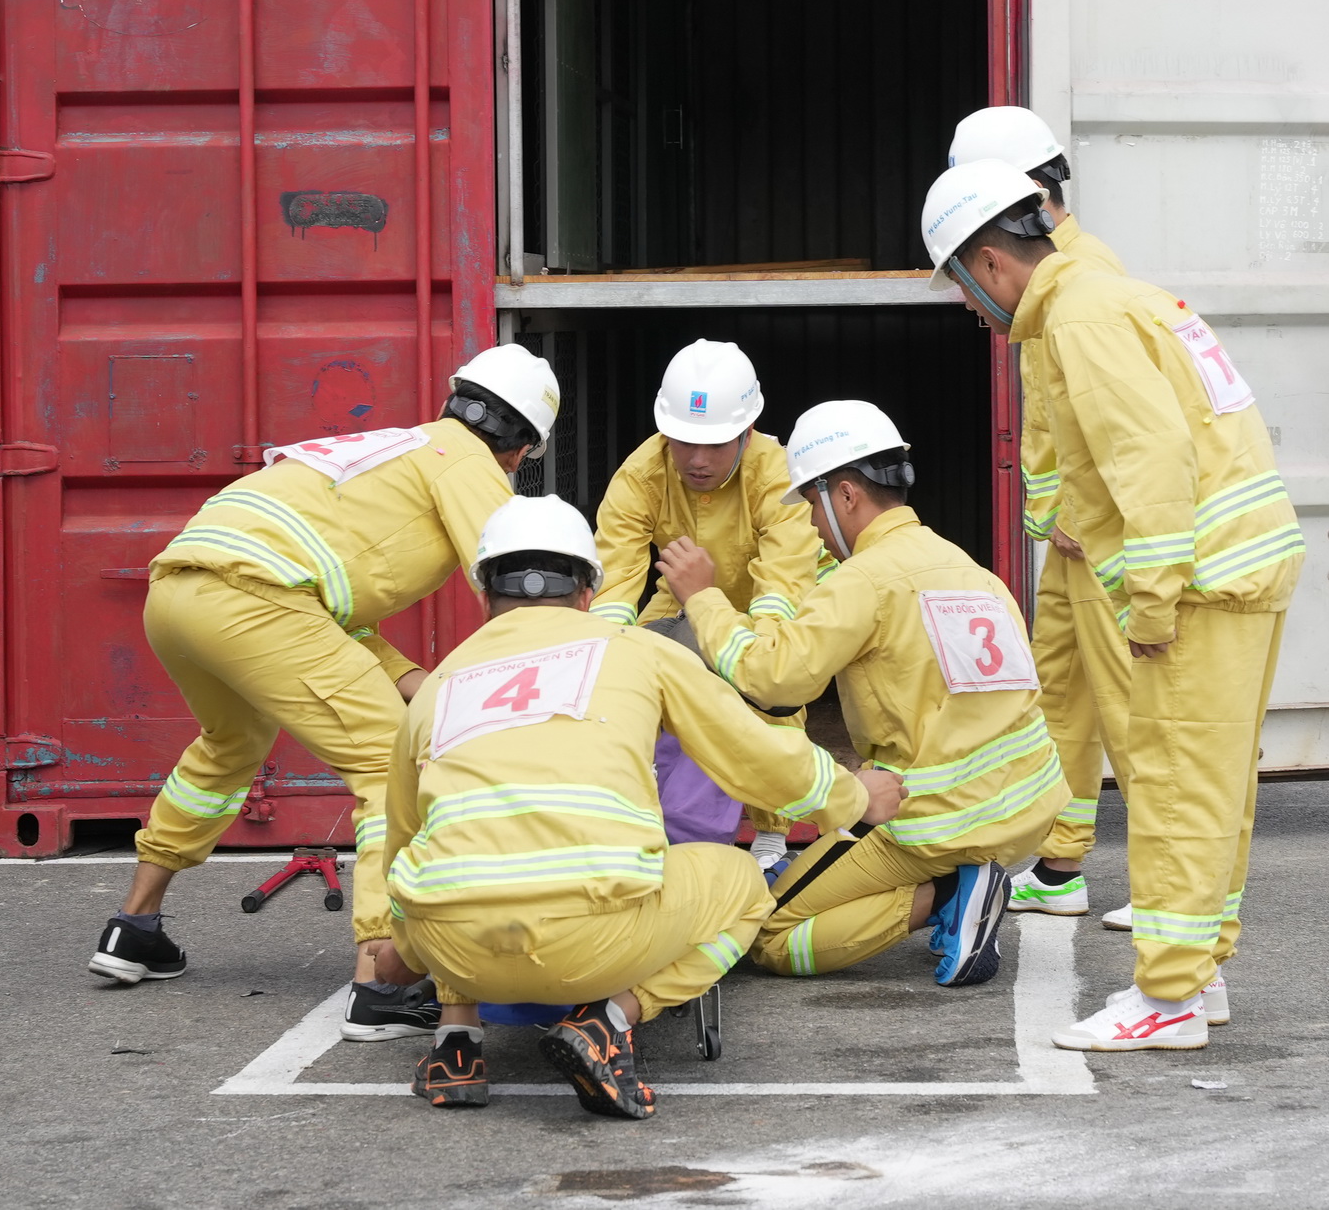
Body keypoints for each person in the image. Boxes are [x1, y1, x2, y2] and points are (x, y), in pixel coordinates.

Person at [923, 159, 1304, 1051]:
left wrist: (1152, 601)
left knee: (1172, 782)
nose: (970, 309)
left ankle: (1167, 994)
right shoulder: (1115, 293)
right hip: (1246, 564)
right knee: (1211, 789)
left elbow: (1151, 456)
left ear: (990, 259)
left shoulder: (1081, 318)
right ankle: (1198, 971)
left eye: (963, 287)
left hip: (1202, 581)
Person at [87, 343, 559, 1047]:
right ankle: (379, 981)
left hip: (180, 591)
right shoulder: (467, 462)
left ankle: (134, 926)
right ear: (520, 450)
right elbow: (520, 571)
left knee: (229, 745)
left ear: (454, 400)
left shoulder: (394, 449)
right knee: (383, 765)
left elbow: (334, 618)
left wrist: (417, 683)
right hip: (257, 600)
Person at [374, 496, 891, 1117]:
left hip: (457, 949)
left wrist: (406, 949)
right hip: (594, 943)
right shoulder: (637, 651)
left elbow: (405, 842)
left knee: (465, 845)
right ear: (588, 593)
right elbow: (758, 754)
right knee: (745, 888)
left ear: (485, 595)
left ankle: (456, 1045)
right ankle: (606, 1022)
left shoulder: (439, 686)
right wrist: (856, 797)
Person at [672, 399, 1061, 988]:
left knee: (766, 933)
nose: (810, 525)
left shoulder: (866, 579)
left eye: (811, 505)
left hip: (933, 822)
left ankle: (951, 892)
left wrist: (702, 598)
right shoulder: (967, 568)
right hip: (1023, 807)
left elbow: (773, 678)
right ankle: (963, 880)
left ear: (846, 494)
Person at [946, 105, 1135, 925]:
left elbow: (1107, 425)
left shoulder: (1078, 277)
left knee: (1130, 708)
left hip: (1097, 536)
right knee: (1065, 697)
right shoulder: (1055, 268)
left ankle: (1176, 891)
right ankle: (1060, 866)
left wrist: (1076, 511)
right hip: (1069, 536)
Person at [590, 339, 824, 863]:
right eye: (682, 441)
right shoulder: (641, 473)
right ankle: (631, 813)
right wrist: (613, 654)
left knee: (772, 690)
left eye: (715, 444)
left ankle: (770, 832)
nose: (697, 460)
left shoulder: (779, 475)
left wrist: (747, 658)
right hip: (677, 599)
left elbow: (782, 588)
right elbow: (614, 581)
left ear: (747, 431)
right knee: (630, 678)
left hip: (767, 605)